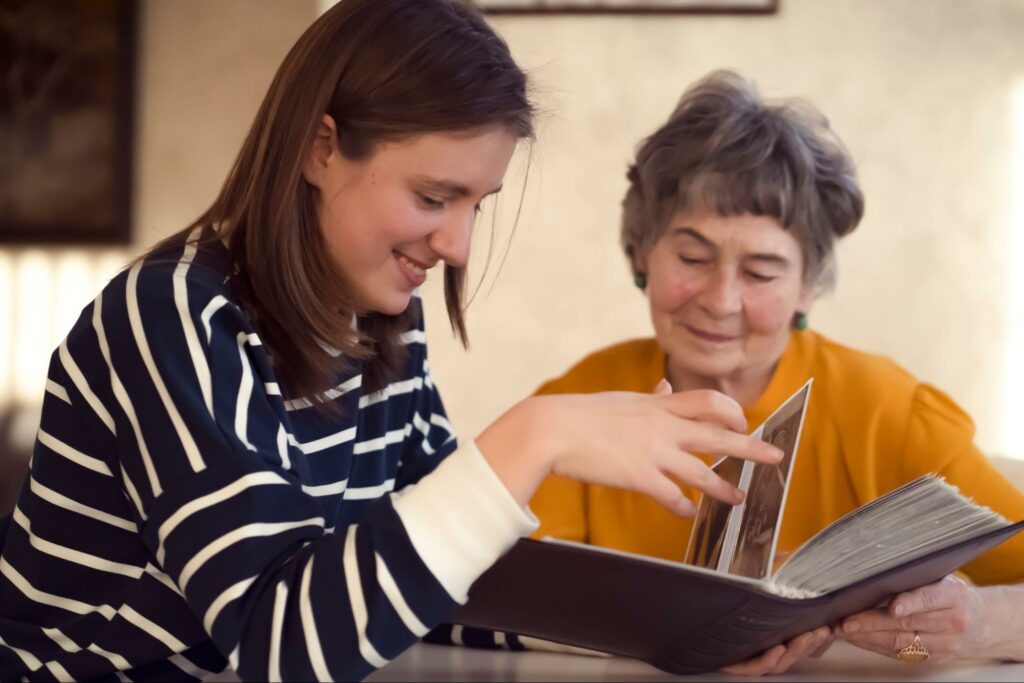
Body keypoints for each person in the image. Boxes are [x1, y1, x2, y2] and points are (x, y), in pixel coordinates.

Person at [0, 4, 782, 682]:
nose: (460, 245)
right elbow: (283, 646)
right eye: (434, 196)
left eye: (478, 203)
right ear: (321, 146)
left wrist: (698, 633)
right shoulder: (168, 318)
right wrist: (535, 435)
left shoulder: (379, 323)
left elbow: (441, 581)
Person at [526, 70, 1024, 674]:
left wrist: (972, 631)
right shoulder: (577, 404)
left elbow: (937, 643)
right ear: (640, 252)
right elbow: (508, 602)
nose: (721, 299)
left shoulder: (890, 412)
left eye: (761, 272)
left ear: (808, 287)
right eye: (691, 257)